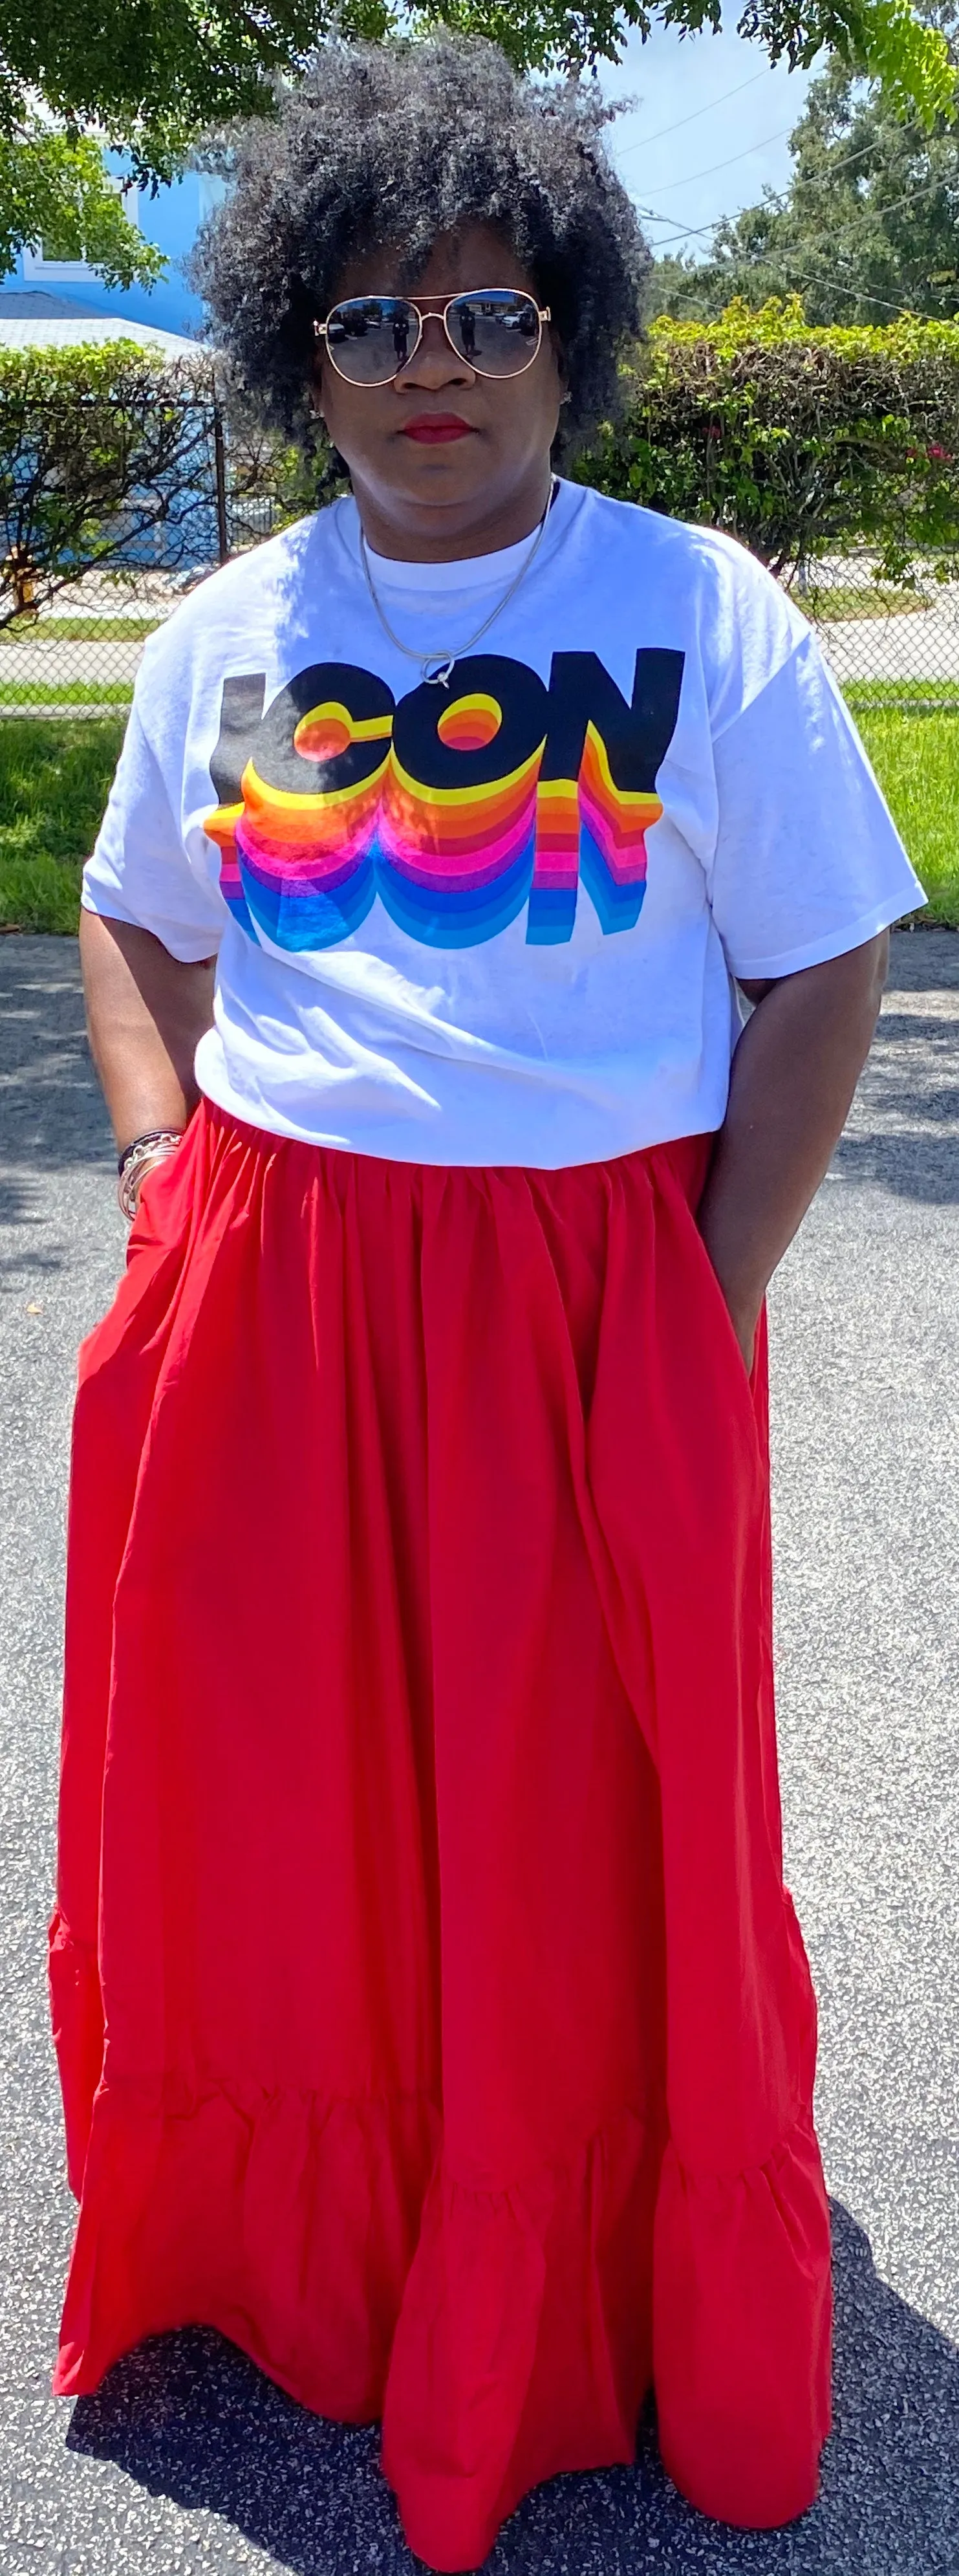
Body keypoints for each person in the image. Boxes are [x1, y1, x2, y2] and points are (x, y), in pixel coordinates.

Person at [50, 37, 923, 2573]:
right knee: (289, 1811)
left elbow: (826, 965)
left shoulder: (691, 608)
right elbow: (132, 916)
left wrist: (705, 1283)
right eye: (369, 321)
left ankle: (566, 2284)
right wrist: (152, 1167)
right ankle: (306, 2259)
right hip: (283, 1298)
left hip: (588, 1294)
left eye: (485, 314)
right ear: (292, 356)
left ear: (572, 333)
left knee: (580, 1828)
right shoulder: (231, 626)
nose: (429, 362)